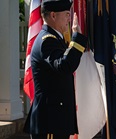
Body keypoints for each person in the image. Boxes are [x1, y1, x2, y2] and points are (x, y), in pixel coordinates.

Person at [23, 0, 87, 138]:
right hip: (50, 120)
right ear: (53, 15)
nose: (69, 19)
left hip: (55, 118)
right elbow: (64, 66)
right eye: (66, 14)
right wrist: (76, 40)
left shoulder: (54, 39)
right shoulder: (47, 41)